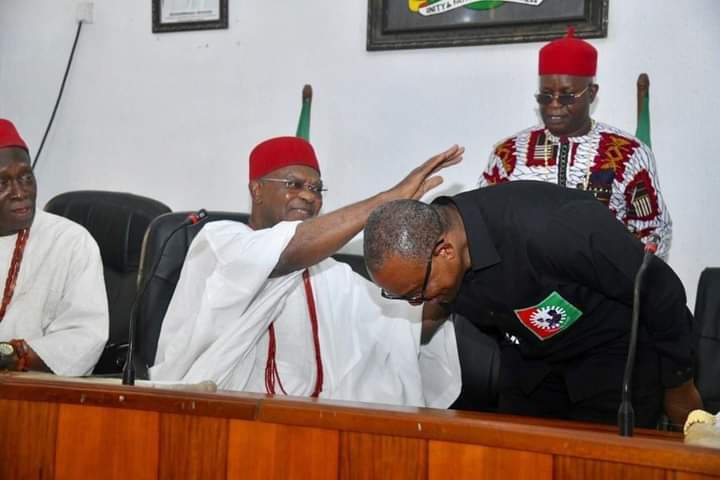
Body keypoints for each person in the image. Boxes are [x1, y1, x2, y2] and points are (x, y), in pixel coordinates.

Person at [150, 136, 462, 408]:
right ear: (256, 190)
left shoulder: (329, 273)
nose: (309, 195)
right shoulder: (221, 242)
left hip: (311, 425)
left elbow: (400, 330)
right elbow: (283, 254)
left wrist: (455, 270)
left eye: (316, 188)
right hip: (226, 415)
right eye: (293, 184)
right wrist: (387, 201)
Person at [363, 181, 702, 427]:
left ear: (445, 252)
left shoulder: (554, 228)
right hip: (531, 359)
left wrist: (680, 387)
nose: (418, 302)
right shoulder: (438, 257)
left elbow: (660, 291)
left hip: (614, 354)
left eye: (416, 292)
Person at [479, 27, 672, 259]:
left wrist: (625, 279)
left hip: (603, 289)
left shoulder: (629, 153)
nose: (554, 105)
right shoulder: (508, 154)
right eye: (545, 96)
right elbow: (483, 224)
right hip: (525, 289)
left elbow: (654, 231)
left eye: (567, 96)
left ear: (591, 93)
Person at [0, 119, 108, 375]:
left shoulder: (71, 242)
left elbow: (84, 338)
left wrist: (9, 355)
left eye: (26, 177)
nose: (19, 192)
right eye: (2, 183)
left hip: (34, 397)